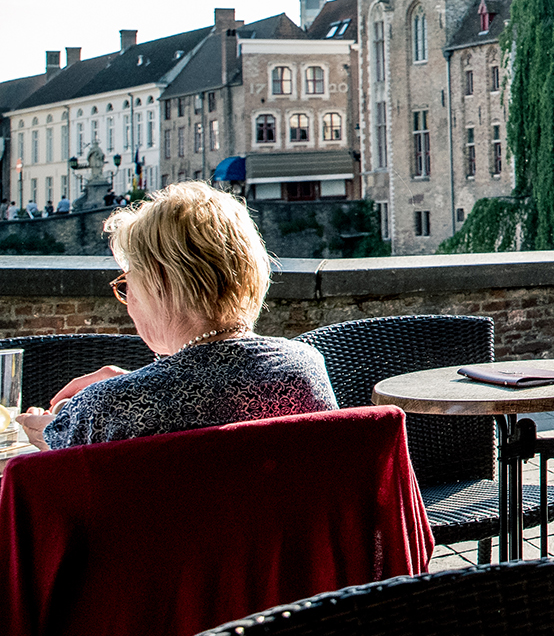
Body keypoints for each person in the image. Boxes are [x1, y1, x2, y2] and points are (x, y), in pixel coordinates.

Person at [15, 182, 336, 451]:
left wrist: (53, 434)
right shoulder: (304, 367)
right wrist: (132, 384)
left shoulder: (108, 409)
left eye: (127, 282)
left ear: (160, 285)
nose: (128, 301)